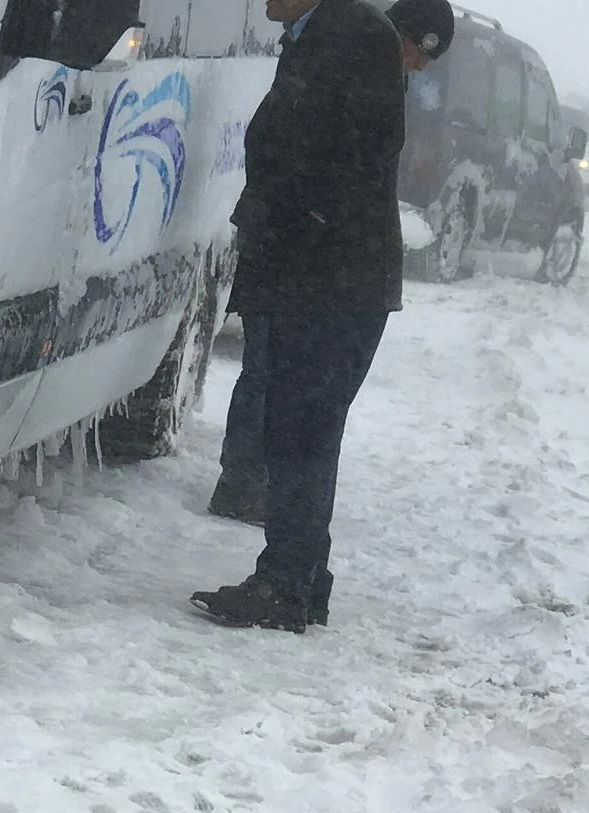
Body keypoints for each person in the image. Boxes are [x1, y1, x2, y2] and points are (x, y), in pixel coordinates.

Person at [192, 0, 453, 633]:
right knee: (301, 430)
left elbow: (352, 147)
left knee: (299, 432)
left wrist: (305, 224)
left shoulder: (351, 33)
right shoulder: (328, 31)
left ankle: (286, 585)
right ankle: (303, 578)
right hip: (324, 273)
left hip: (328, 278)